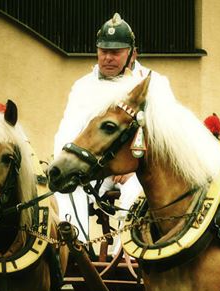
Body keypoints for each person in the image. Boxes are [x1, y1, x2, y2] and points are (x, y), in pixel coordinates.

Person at [51, 13, 170, 245]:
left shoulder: (155, 84)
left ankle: (128, 259)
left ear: (132, 53)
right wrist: (71, 168)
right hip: (96, 167)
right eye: (103, 51)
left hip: (138, 169)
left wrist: (131, 162)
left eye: (115, 52)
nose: (107, 57)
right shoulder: (82, 87)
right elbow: (67, 132)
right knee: (68, 190)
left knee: (134, 198)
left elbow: (162, 135)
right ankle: (77, 252)